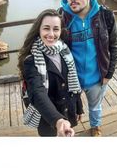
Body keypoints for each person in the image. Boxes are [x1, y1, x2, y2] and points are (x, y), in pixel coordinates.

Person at [59, 0, 117, 136]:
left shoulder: (105, 16)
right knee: (69, 109)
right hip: (71, 79)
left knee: (95, 106)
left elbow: (113, 46)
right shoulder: (61, 17)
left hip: (97, 77)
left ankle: (95, 126)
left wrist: (109, 73)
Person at [18, 9, 84, 137]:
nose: (51, 34)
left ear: (61, 30)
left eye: (56, 29)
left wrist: (79, 107)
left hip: (68, 111)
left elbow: (73, 83)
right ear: (39, 29)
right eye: (46, 28)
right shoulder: (31, 60)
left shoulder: (64, 50)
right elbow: (37, 93)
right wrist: (58, 121)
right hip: (49, 119)